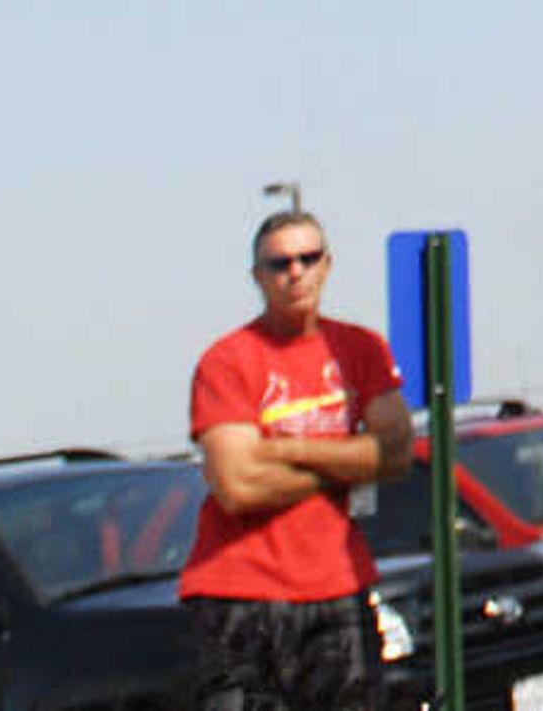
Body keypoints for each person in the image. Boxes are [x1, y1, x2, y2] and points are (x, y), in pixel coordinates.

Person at [180, 209, 413, 711]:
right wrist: (350, 459)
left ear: (327, 264)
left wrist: (286, 449)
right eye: (279, 263)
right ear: (257, 276)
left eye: (308, 258)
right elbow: (238, 485)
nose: (295, 273)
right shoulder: (228, 361)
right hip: (239, 596)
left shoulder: (360, 349)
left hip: (339, 590)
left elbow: (396, 452)